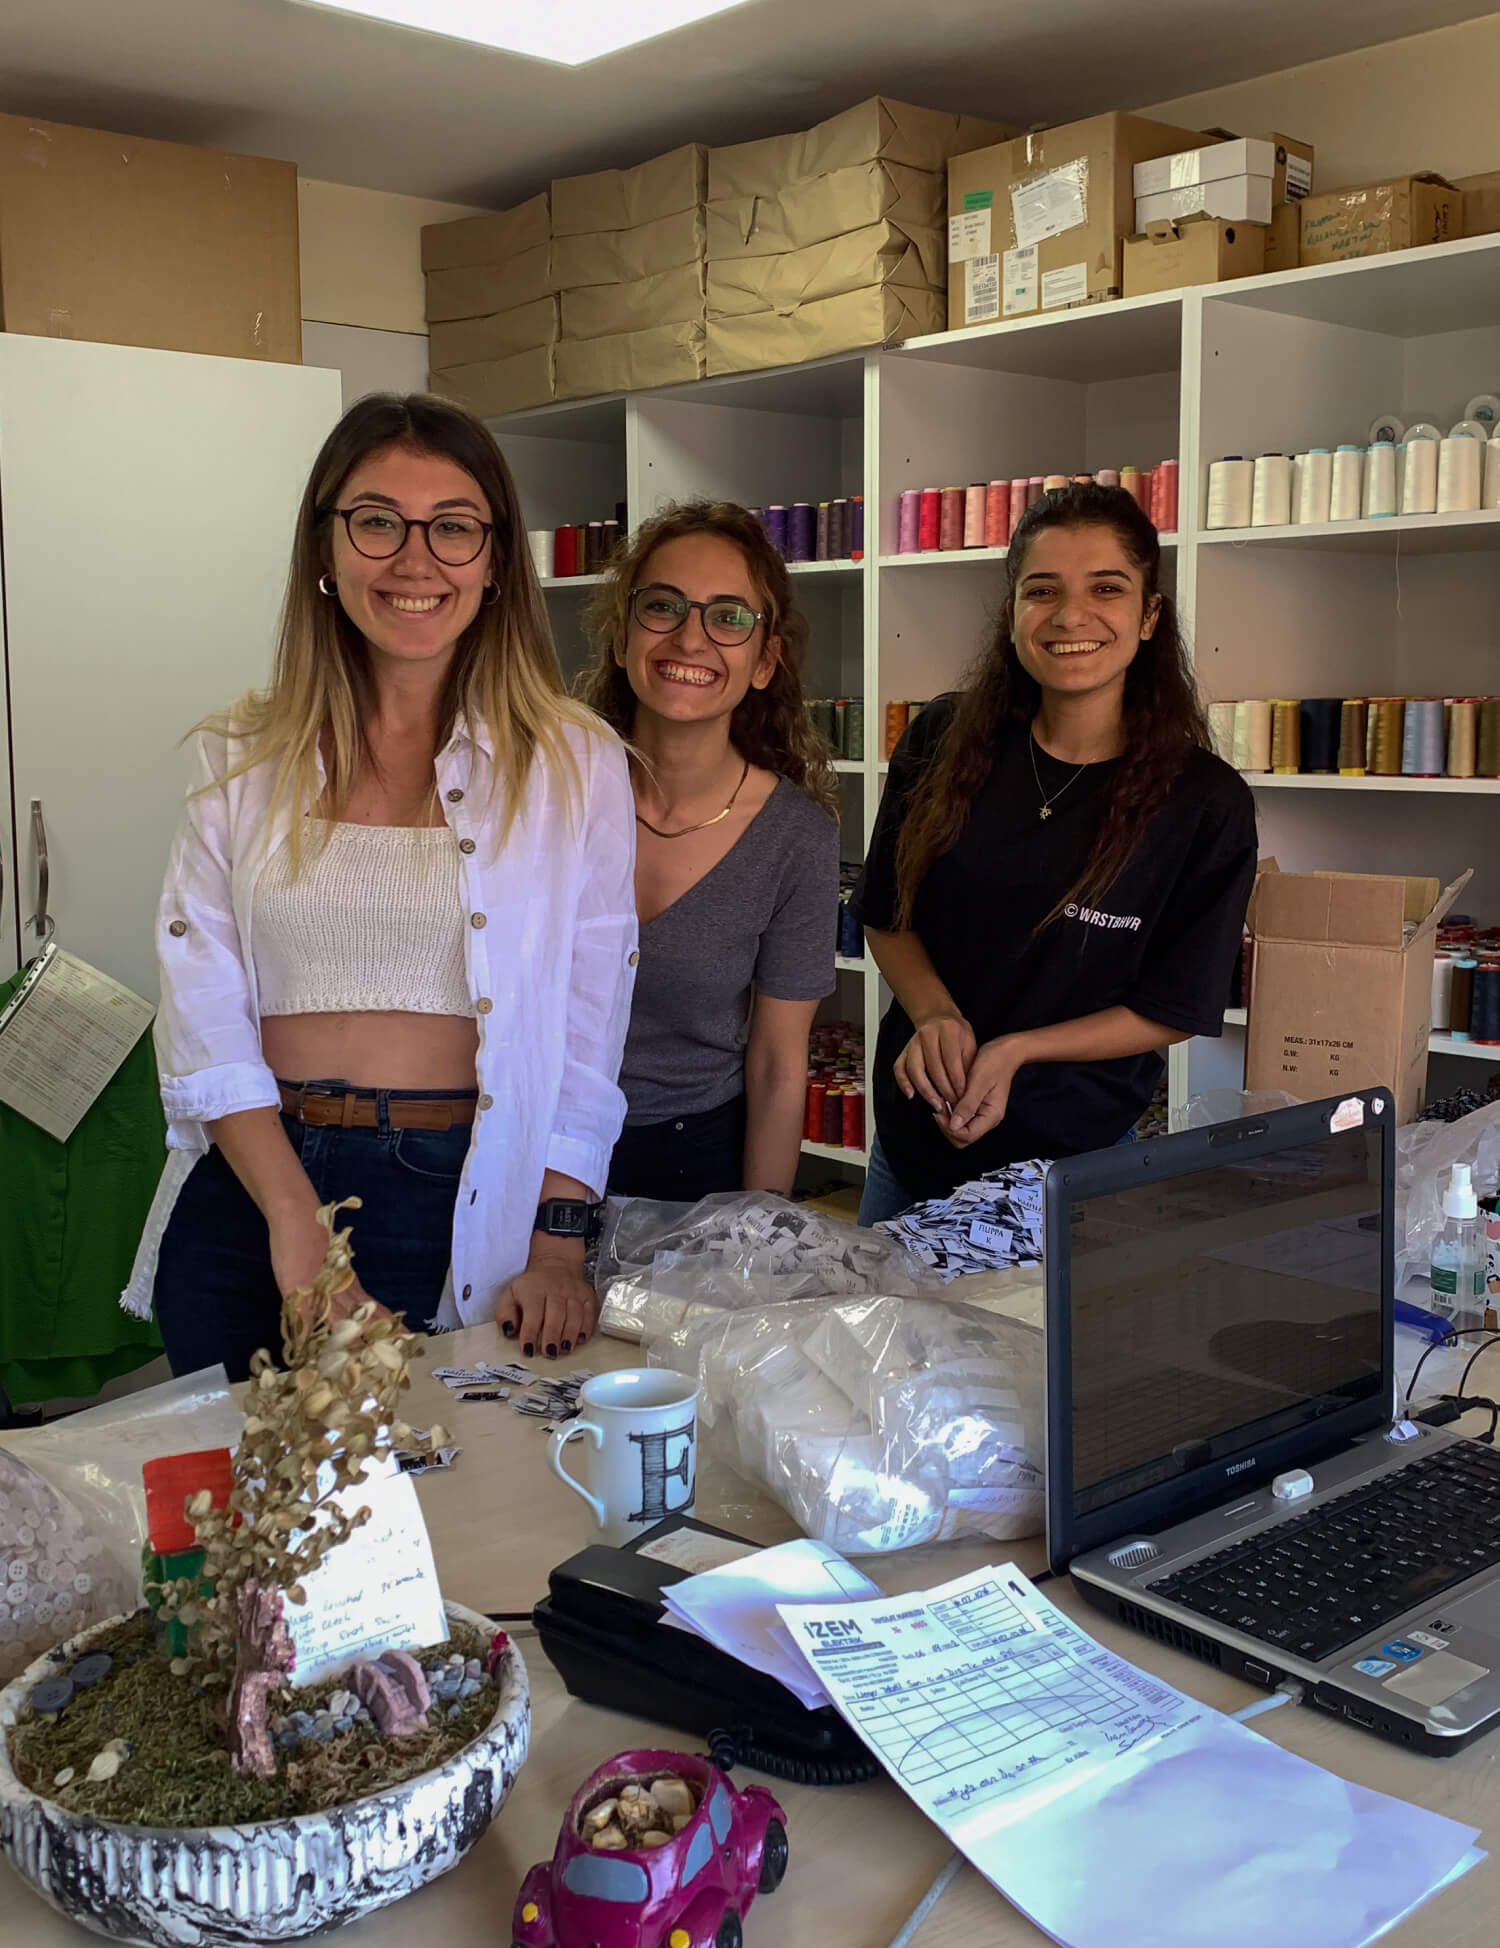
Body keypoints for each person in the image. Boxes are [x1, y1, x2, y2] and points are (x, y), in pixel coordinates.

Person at [125, 391, 638, 1375]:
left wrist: (558, 1241)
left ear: (495, 561)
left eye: (453, 526)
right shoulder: (241, 752)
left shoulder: (574, 764)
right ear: (325, 548)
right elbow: (201, 1001)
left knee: (436, 1473)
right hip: (251, 1183)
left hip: (451, 1191)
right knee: (243, 1475)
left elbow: (589, 1026)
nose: (415, 559)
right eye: (377, 521)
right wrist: (294, 1219)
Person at [854, 481, 1257, 1223]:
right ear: (1012, 614)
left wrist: (1017, 1050)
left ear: (1149, 616)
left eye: (1107, 588)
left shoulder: (1204, 802)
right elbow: (886, 914)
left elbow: (1175, 1006)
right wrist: (936, 1015)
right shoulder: (940, 741)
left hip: (1072, 1169)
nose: (1071, 615)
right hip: (912, 1144)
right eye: (1042, 591)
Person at [578, 500, 839, 1202]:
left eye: (728, 617)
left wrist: (754, 1231)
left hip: (693, 1163)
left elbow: (778, 1064)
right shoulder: (549, 799)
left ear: (765, 660)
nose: (691, 638)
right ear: (622, 634)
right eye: (663, 606)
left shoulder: (796, 838)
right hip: (529, 1146)